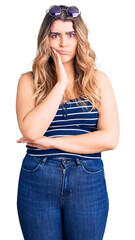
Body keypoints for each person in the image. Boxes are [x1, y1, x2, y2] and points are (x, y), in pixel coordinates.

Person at [16, 5, 120, 240]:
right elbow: (32, 131)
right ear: (46, 39)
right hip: (38, 178)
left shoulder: (98, 81)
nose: (63, 43)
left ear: (79, 39)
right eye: (55, 35)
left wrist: (51, 142)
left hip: (87, 180)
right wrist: (61, 82)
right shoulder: (29, 81)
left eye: (70, 35)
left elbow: (110, 139)